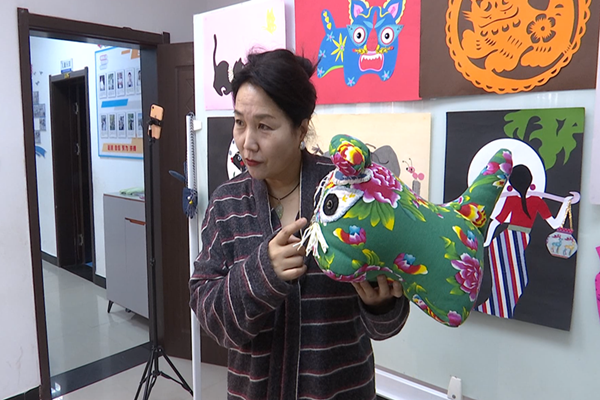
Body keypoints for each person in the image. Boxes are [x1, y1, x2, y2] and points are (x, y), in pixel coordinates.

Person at [189, 49, 409, 400]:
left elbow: (385, 326)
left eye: (264, 126)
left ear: (301, 129)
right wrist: (263, 272)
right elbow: (211, 317)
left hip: (340, 389)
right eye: (239, 122)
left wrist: (381, 306)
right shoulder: (227, 204)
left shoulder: (347, 192)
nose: (246, 142)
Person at [478, 164, 578, 319]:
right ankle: (498, 308)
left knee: (520, 281)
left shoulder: (536, 201)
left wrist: (566, 204)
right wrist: (487, 241)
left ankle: (501, 309)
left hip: (519, 240)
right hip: (505, 241)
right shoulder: (512, 200)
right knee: (506, 281)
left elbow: (555, 224)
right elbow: (497, 221)